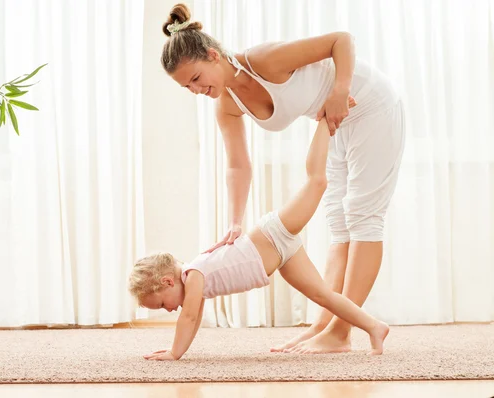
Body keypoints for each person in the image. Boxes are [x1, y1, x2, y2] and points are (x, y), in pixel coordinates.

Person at [159, 3, 405, 354]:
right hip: (335, 121)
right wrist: (235, 223)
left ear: (213, 55)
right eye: (188, 87)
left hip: (369, 105)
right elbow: (237, 165)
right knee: (339, 222)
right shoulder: (226, 105)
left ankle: (341, 331)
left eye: (196, 78)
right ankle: (324, 326)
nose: (196, 89)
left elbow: (341, 40)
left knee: (363, 216)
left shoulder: (262, 60)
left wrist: (339, 91)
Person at [128, 115, 390, 361]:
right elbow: (193, 319)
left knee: (316, 182)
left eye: (163, 304)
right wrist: (178, 350)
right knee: (323, 295)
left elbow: (188, 317)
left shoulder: (194, 274)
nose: (170, 311)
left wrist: (174, 353)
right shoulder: (194, 280)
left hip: (273, 233)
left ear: (167, 281)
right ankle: (374, 326)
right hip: (280, 254)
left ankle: (325, 120)